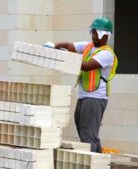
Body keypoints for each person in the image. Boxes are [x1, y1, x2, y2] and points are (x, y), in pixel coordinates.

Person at [45, 16, 118, 153]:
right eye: (94, 32)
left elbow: (86, 66)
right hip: (85, 95)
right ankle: (99, 162)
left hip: (96, 97)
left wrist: (65, 56)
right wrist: (54, 46)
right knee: (83, 128)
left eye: (98, 33)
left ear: (106, 36)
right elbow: (68, 45)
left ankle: (93, 165)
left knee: (88, 133)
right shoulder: (87, 47)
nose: (95, 36)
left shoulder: (106, 54)